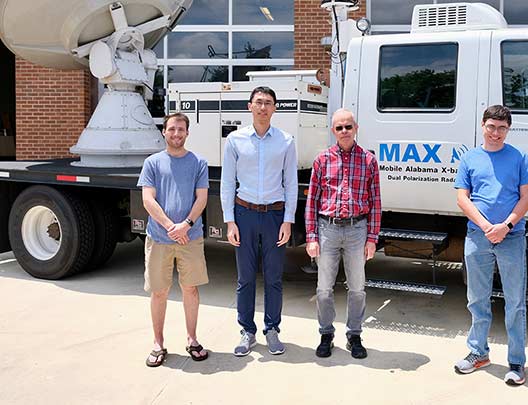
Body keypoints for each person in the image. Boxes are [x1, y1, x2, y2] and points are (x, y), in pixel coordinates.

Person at [453, 105, 528, 385]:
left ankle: (516, 362)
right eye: (491, 126)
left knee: (515, 302)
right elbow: (463, 198)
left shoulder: (519, 157)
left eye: (502, 128)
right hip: (478, 236)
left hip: (511, 237)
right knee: (477, 299)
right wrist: (487, 227)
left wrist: (506, 226)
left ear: (508, 129)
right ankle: (478, 353)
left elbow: (526, 198)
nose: (496, 133)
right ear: (483, 126)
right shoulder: (470, 158)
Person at [221, 86, 298, 357]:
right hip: (245, 215)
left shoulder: (286, 141)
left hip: (275, 216)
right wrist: (230, 221)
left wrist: (288, 220)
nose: (263, 107)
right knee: (245, 278)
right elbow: (228, 182)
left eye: (268, 103)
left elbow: (291, 183)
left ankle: (272, 329)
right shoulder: (235, 140)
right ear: (249, 106)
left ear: (275, 107)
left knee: (274, 277)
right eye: (258, 102)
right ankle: (247, 332)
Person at [305, 108, 381, 359]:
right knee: (324, 288)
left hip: (357, 230)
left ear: (356, 128)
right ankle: (326, 334)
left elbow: (376, 202)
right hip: (327, 228)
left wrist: (372, 238)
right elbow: (312, 201)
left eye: (348, 126)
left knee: (357, 287)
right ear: (333, 131)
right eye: (339, 127)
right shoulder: (322, 160)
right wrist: (311, 236)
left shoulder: (369, 161)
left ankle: (354, 335)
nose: (344, 131)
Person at [138, 112, 210, 367]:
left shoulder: (199, 162)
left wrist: (186, 225)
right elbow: (148, 199)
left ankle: (192, 339)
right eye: (172, 129)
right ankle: (158, 343)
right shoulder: (152, 163)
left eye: (181, 129)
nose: (176, 134)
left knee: (190, 289)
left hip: (190, 238)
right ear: (164, 132)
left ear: (187, 133)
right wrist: (171, 227)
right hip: (160, 238)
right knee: (159, 292)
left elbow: (201, 198)